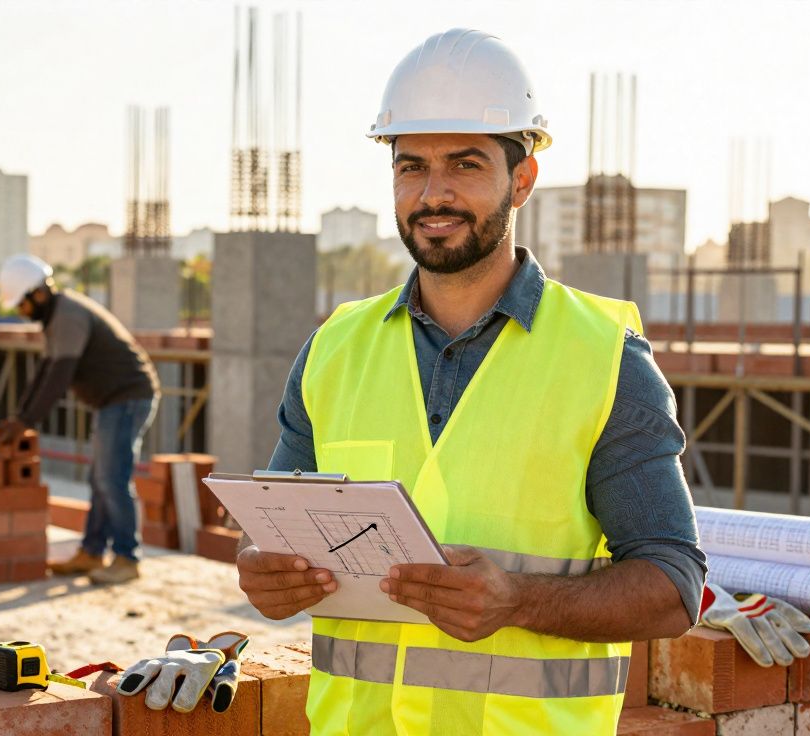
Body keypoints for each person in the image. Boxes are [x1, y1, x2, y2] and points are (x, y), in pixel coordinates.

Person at [234, 29, 707, 734]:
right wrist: (263, 573)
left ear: (522, 179)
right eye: (412, 166)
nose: (434, 194)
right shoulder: (334, 349)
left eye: (465, 163)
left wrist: (519, 599)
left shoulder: (603, 357)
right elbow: (271, 530)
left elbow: (673, 586)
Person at [0, 254, 160, 585]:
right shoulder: (56, 317)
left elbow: (58, 377)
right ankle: (92, 552)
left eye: (22, 304)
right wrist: (20, 416)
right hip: (112, 402)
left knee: (112, 479)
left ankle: (127, 558)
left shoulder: (68, 315)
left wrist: (26, 421)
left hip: (127, 399)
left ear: (37, 293)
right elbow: (44, 372)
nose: (21, 312)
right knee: (100, 479)